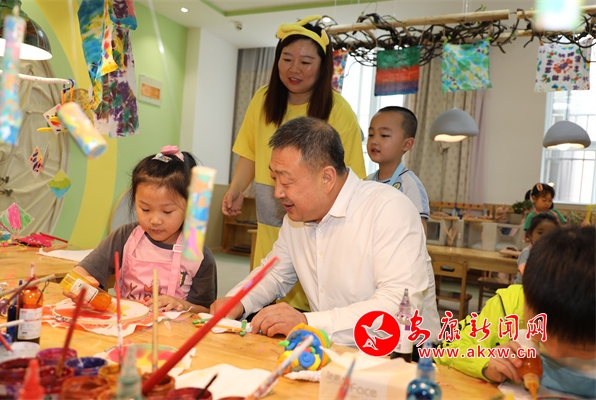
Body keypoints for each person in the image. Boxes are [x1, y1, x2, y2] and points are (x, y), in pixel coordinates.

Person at [211, 116, 440, 346]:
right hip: (332, 348)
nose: (278, 192)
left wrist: (307, 322)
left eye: (286, 182)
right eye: (274, 179)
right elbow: (275, 274)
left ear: (327, 178)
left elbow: (400, 307)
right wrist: (237, 300)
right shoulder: (297, 218)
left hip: (408, 355)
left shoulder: (389, 209)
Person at [222, 15, 366, 311]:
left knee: (310, 314)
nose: (294, 69)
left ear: (323, 66)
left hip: (318, 237)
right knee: (265, 297)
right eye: (287, 59)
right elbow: (249, 151)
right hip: (271, 233)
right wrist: (237, 188)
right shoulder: (262, 100)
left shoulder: (339, 111)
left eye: (305, 62)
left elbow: (352, 183)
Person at [435, 225, 596, 398]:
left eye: (579, 347)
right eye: (542, 334)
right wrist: (486, 361)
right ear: (527, 296)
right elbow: (447, 348)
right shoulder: (507, 307)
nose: (554, 350)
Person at [64, 146, 217, 313]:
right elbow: (80, 273)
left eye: (167, 211)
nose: (155, 220)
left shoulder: (198, 255)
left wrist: (183, 305)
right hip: (126, 324)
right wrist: (80, 286)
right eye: (145, 209)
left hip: (173, 329)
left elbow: (205, 311)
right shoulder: (124, 237)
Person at [366, 106, 429, 234]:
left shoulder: (410, 185)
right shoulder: (367, 182)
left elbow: (420, 234)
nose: (374, 141)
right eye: (371, 135)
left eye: (384, 135)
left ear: (407, 144)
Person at [514, 213, 559, 284]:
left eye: (550, 233)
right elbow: (525, 272)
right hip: (523, 287)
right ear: (530, 234)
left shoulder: (555, 254)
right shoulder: (527, 252)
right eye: (540, 233)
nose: (545, 237)